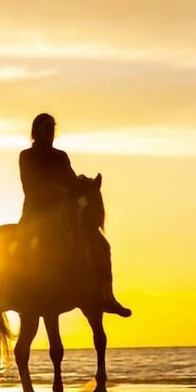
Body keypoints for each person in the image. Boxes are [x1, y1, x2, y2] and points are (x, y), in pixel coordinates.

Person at [18, 112, 131, 317]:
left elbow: (71, 180)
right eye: (46, 128)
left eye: (53, 128)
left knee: (102, 245)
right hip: (36, 214)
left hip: (62, 213)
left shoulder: (60, 156)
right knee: (27, 244)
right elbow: (30, 187)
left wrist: (84, 184)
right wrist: (60, 190)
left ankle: (108, 296)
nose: (50, 132)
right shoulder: (27, 156)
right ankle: (22, 289)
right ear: (37, 131)